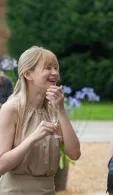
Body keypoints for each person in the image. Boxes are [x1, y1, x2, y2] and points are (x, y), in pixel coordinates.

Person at [0, 46, 81, 195]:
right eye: (48, 68)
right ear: (28, 74)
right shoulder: (10, 109)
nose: (55, 73)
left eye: (56, 67)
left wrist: (61, 110)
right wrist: (33, 138)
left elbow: (74, 153)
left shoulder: (54, 108)